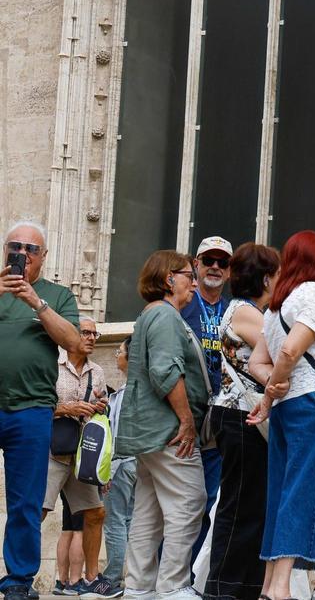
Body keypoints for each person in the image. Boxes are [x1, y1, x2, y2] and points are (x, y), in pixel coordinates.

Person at [246, 231, 315, 600]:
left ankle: (268, 585)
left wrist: (271, 392)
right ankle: (279, 590)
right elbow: (290, 352)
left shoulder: (277, 307)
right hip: (314, 404)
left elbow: (258, 362)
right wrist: (274, 388)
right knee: (302, 491)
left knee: (282, 491)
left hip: (292, 408)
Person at [116, 250, 211, 600]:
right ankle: (173, 586)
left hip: (148, 432)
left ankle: (138, 587)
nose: (195, 282)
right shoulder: (167, 316)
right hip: (168, 431)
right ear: (170, 278)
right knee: (190, 500)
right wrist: (186, 421)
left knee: (148, 512)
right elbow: (165, 370)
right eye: (189, 274)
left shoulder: (148, 315)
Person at [0, 221, 83, 600]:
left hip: (32, 410)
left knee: (26, 500)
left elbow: (74, 342)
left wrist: (36, 302)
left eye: (31, 249)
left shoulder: (56, 295)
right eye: (15, 246)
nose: (22, 254)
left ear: (43, 257)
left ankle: (18, 580)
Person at [204, 243, 280, 600]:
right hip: (239, 415)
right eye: (277, 274)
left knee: (252, 507)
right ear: (265, 277)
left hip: (243, 416)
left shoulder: (245, 310)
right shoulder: (247, 314)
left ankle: (243, 587)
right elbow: (281, 354)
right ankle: (224, 588)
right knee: (239, 507)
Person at [43, 317, 121, 598]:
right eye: (85, 332)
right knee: (35, 512)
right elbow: (38, 405)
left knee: (96, 513)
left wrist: (99, 406)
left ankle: (90, 579)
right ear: (70, 333)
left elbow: (98, 414)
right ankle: (20, 575)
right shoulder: (52, 363)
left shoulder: (97, 372)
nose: (91, 338)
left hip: (80, 454)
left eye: (94, 334)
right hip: (51, 450)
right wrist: (67, 407)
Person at [179, 235, 233, 566]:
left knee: (211, 500)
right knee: (182, 501)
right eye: (208, 260)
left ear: (229, 271)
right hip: (185, 414)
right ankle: (169, 576)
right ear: (195, 264)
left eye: (222, 262)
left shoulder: (235, 310)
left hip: (221, 418)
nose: (214, 267)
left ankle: (194, 576)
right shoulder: (181, 303)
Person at [101, 337, 137, 585]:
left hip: (122, 463)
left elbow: (118, 435)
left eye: (119, 351)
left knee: (115, 522)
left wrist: (109, 471)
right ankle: (135, 577)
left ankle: (112, 578)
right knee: (133, 522)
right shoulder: (137, 389)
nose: (117, 355)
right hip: (139, 463)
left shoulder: (127, 392)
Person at [55, 496, 85, 595]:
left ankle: (62, 582)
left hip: (65, 485)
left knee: (67, 529)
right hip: (81, 483)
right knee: (79, 531)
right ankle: (74, 583)